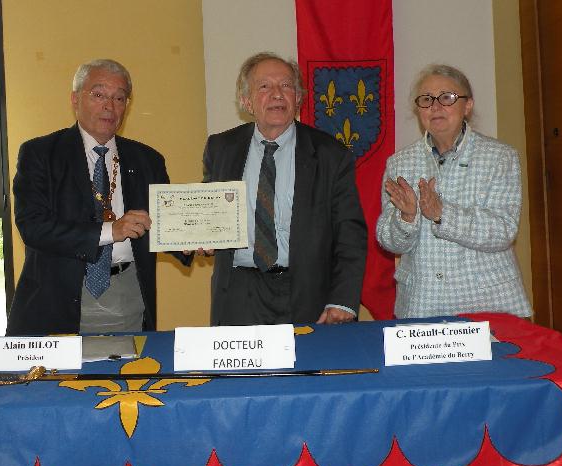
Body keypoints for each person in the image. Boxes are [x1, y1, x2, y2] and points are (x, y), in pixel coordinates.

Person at [7, 59, 189, 336]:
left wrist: (190, 241)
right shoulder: (41, 153)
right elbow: (33, 227)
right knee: (61, 380)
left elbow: (160, 224)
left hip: (128, 297)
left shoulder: (147, 159)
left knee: (128, 377)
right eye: (99, 94)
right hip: (59, 296)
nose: (110, 105)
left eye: (119, 97)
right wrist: (110, 231)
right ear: (75, 99)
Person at [199, 52, 367, 326]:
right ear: (246, 101)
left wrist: (344, 299)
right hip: (239, 292)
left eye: (286, 86)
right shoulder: (221, 148)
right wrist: (196, 235)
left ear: (298, 98)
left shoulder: (330, 154)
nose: (277, 94)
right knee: (241, 371)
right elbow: (210, 210)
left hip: (307, 291)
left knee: (305, 368)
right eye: (264, 86)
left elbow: (351, 234)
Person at [376, 64, 532, 318]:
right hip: (421, 304)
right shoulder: (399, 163)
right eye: (427, 99)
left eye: (447, 98)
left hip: (487, 305)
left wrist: (442, 214)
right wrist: (405, 218)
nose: (435, 107)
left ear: (467, 106)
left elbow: (503, 230)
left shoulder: (500, 157)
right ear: (419, 109)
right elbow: (390, 242)